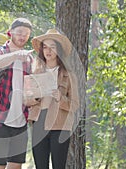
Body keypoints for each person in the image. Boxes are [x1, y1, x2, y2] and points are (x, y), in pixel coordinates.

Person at [26, 29, 79, 169]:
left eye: (52, 47)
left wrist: (60, 98)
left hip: (60, 125)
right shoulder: (35, 73)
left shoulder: (69, 75)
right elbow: (27, 100)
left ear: (59, 50)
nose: (48, 51)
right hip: (39, 123)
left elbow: (75, 105)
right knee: (40, 166)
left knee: (58, 166)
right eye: (45, 47)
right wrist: (36, 97)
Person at [0, 18, 33, 169]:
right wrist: (15, 55)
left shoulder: (28, 59)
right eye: (19, 32)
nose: (22, 37)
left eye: (26, 34)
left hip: (20, 121)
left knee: (16, 166)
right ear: (10, 32)